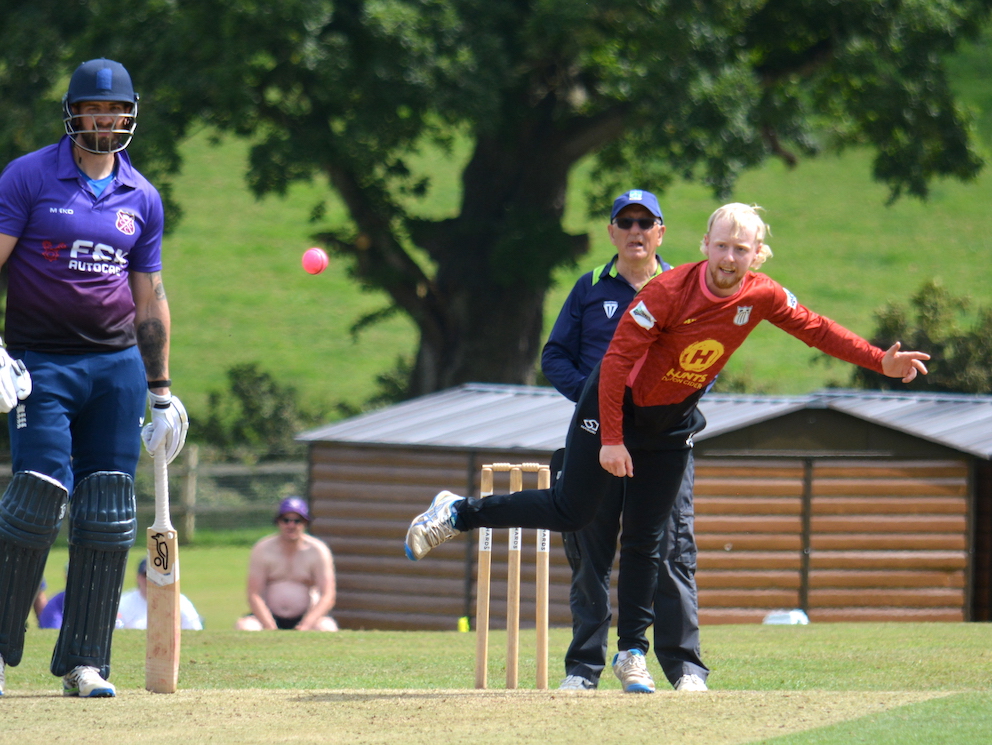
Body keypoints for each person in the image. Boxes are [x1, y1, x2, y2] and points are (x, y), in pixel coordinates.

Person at [405, 202, 929, 693]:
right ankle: (457, 510)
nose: (729, 259)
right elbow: (612, 365)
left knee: (647, 539)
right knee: (572, 510)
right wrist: (611, 439)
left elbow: (815, 329)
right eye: (721, 246)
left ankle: (632, 651)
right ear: (704, 244)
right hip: (613, 406)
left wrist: (878, 360)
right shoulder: (667, 291)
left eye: (740, 250)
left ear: (757, 254)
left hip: (671, 424)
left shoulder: (762, 294)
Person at [0, 58, 188, 698]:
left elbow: (150, 299)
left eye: (117, 111)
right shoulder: (28, 178)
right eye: (94, 110)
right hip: (38, 361)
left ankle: (85, 662)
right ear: (73, 113)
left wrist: (160, 391)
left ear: (130, 115)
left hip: (116, 368)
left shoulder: (143, 197)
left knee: (107, 511)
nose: (106, 121)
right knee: (37, 493)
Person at [541, 189, 709, 692]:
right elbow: (555, 357)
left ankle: (684, 669)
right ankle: (583, 669)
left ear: (661, 232)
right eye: (626, 222)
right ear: (611, 231)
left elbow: (706, 358)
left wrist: (665, 407)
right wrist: (596, 402)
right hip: (599, 438)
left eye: (646, 222)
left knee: (670, 549)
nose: (636, 231)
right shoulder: (589, 287)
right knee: (591, 548)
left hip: (663, 441)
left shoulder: (685, 286)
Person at [235, 497, 339, 632]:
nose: (291, 525)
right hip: (267, 617)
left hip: (306, 617)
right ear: (278, 522)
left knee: (327, 628)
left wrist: (305, 625)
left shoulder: (317, 551)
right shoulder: (262, 549)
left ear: (305, 523)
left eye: (297, 521)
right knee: (246, 627)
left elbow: (328, 595)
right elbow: (254, 594)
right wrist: (270, 626)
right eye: (286, 520)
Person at [118, 558, 202, 630]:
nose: (150, 580)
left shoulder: (179, 601)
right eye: (146, 575)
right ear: (138, 578)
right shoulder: (123, 603)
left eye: (155, 576)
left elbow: (194, 630)